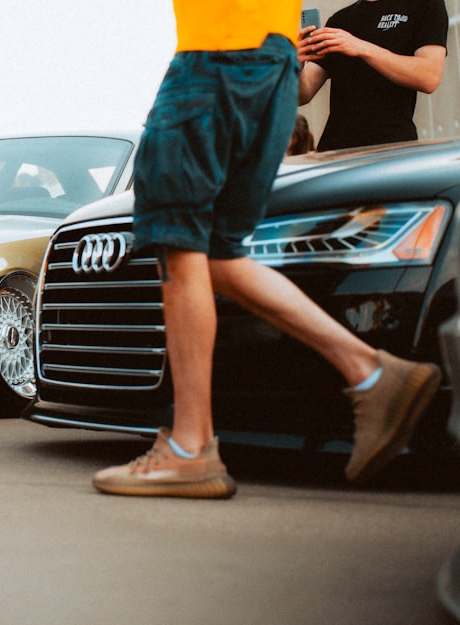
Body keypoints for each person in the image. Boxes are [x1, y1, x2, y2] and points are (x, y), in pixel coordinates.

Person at [91, 0, 442, 499]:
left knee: (178, 239)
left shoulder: (418, 8)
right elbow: (306, 87)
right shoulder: (340, 19)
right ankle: (373, 372)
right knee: (218, 255)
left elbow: (428, 74)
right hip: (272, 68)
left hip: (218, 56)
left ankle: (189, 450)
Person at [298, 0, 448, 151]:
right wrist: (296, 64)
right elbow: (303, 95)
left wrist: (361, 47)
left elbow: (429, 77)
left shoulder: (426, 4)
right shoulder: (339, 21)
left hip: (389, 150)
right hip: (335, 153)